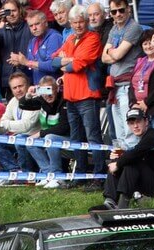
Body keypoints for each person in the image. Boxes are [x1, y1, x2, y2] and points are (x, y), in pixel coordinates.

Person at [92, 107, 154, 210]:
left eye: (138, 122)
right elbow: (138, 152)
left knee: (131, 163)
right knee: (120, 160)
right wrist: (119, 158)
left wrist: (118, 163)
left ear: (146, 121)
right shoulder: (148, 137)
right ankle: (110, 201)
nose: (135, 126)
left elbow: (137, 153)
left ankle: (122, 205)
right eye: (132, 123)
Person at [53, 4, 105, 180]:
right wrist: (69, 60)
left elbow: (77, 65)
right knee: (76, 139)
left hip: (88, 95)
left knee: (93, 137)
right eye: (74, 22)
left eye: (81, 22)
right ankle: (81, 175)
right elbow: (53, 61)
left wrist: (66, 62)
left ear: (86, 22)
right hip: (70, 97)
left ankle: (99, 175)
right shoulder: (69, 40)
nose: (77, 26)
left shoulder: (93, 38)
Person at [101, 0, 143, 148]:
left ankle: (133, 168)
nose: (118, 14)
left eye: (121, 10)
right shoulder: (113, 30)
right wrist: (114, 53)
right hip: (115, 88)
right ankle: (123, 168)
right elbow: (103, 57)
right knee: (119, 136)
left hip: (128, 88)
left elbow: (117, 55)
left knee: (130, 132)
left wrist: (111, 51)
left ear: (128, 10)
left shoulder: (134, 27)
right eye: (114, 11)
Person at [20, 76, 70, 188]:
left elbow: (64, 127)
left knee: (50, 138)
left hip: (69, 138)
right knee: (29, 141)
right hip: (50, 136)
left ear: (57, 89)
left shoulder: (64, 100)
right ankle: (48, 174)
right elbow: (23, 105)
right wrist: (28, 94)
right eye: (44, 91)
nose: (48, 95)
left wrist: (40, 134)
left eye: (50, 90)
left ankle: (57, 177)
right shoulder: (42, 100)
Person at [0, 72, 40, 172]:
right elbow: (2, 128)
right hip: (20, 137)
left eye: (21, 86)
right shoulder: (13, 101)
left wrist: (1, 123)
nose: (18, 90)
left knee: (19, 139)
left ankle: (28, 174)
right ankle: (15, 171)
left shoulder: (35, 99)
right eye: (14, 88)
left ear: (28, 86)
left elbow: (26, 126)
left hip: (35, 136)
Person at [9, 10, 64, 85]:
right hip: (39, 88)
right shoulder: (32, 41)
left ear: (46, 23)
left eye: (37, 24)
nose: (34, 28)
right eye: (31, 26)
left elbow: (53, 66)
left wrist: (28, 62)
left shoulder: (54, 37)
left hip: (53, 88)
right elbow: (32, 72)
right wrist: (21, 64)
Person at [0, 0, 31, 90]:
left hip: (28, 78)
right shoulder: (2, 31)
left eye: (14, 10)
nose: (11, 14)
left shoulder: (30, 27)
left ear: (20, 10)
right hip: (9, 81)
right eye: (7, 11)